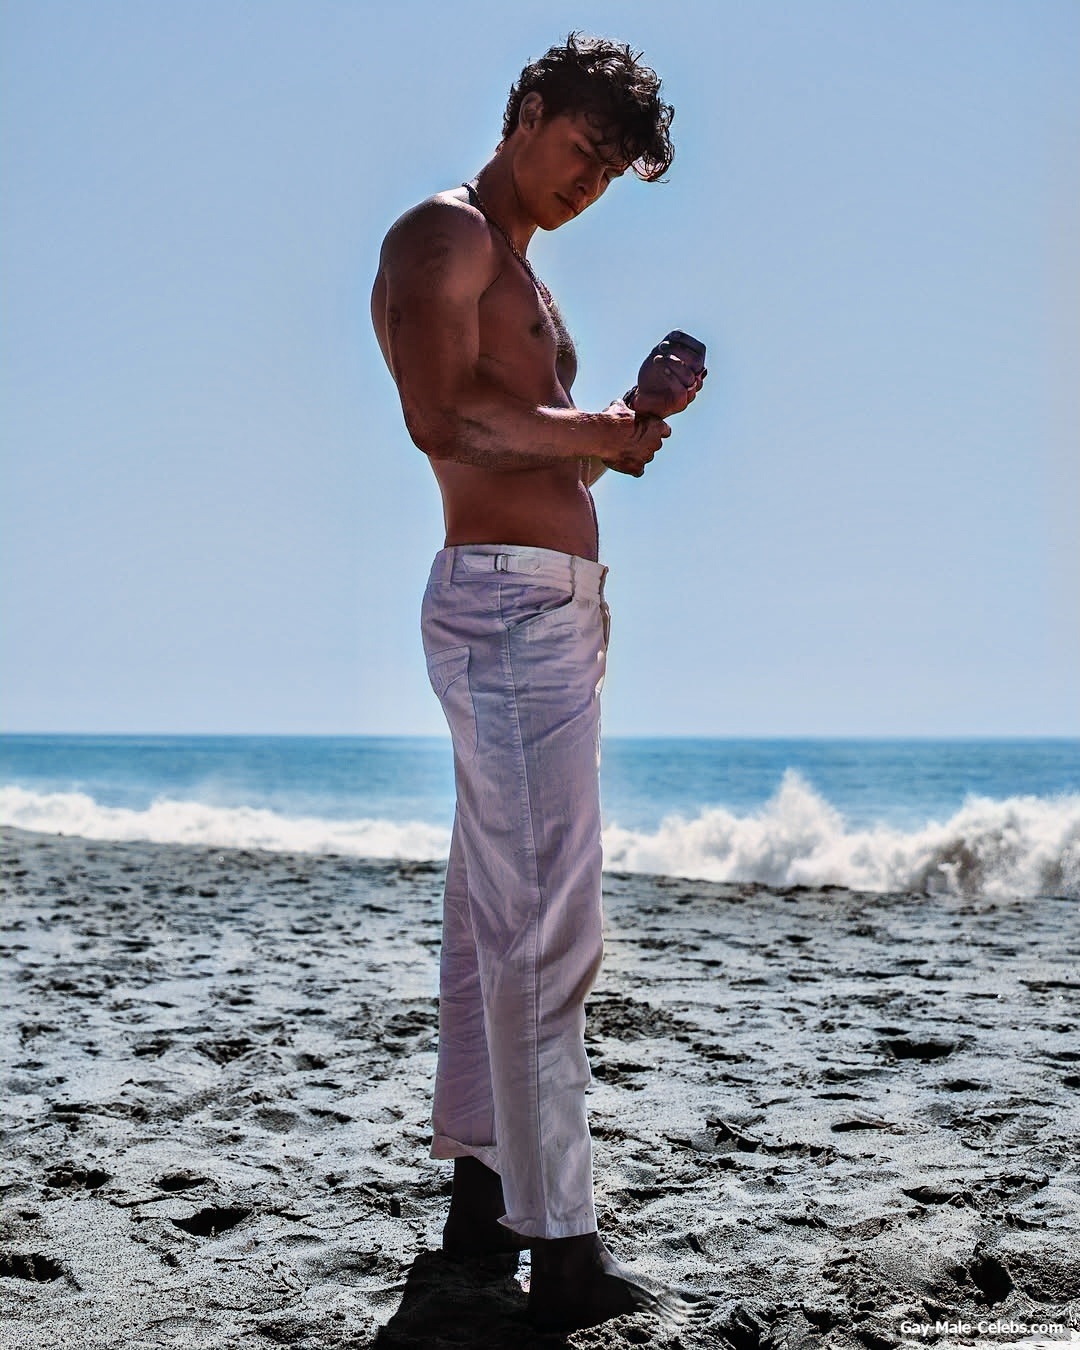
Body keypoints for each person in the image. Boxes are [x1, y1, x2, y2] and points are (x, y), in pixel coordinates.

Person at [370, 32, 705, 1333]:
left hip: (543, 607)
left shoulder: (523, 273)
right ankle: (561, 1249)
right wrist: (604, 435)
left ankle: (480, 1208)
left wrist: (625, 419)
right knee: (545, 929)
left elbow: (538, 435)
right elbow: (443, 417)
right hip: (507, 605)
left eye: (610, 170)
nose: (587, 181)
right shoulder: (443, 237)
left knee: (489, 923)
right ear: (524, 112)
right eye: (579, 148)